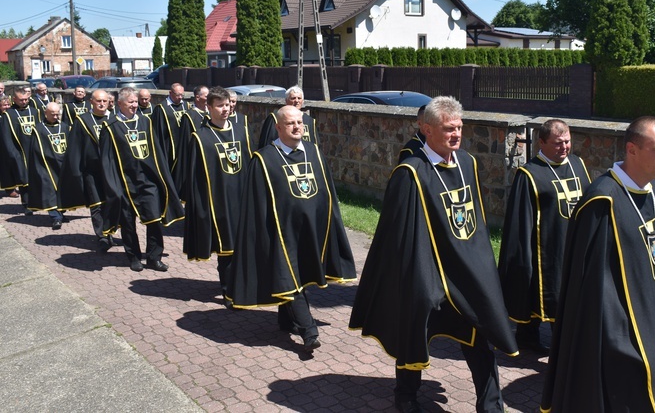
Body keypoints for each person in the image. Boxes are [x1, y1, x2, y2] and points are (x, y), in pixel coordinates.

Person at [349, 96, 518, 413]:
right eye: (448, 129)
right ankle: (406, 394)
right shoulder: (411, 173)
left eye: (459, 128)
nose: (456, 134)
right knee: (415, 329)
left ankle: (492, 405)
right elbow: (400, 235)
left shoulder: (468, 163)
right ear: (426, 129)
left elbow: (475, 224)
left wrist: (483, 269)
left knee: (480, 335)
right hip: (430, 274)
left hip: (466, 272)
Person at [541, 116, 655, 412]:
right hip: (622, 331)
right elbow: (594, 287)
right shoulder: (603, 201)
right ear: (632, 150)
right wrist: (620, 340)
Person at [226, 105, 356, 352]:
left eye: (300, 122)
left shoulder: (314, 152)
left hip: (310, 229)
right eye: (290, 123)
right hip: (280, 232)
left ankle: (286, 319)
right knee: (289, 275)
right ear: (278, 127)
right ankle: (309, 331)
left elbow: (327, 192)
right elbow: (257, 203)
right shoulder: (264, 159)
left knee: (302, 274)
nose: (297, 127)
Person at [497, 119, 591, 354]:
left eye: (568, 141)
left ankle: (567, 342)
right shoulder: (529, 174)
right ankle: (529, 337)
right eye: (558, 143)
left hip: (574, 243)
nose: (565, 147)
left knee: (573, 294)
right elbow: (521, 218)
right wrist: (522, 255)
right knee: (538, 291)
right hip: (545, 246)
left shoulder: (578, 165)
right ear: (542, 143)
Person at [99, 87, 184, 272]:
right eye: (130, 102)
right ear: (120, 103)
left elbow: (156, 152)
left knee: (154, 220)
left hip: (148, 181)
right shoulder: (110, 127)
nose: (135, 105)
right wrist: (114, 187)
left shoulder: (146, 122)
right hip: (125, 183)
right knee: (128, 223)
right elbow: (107, 161)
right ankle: (134, 257)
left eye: (136, 102)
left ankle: (154, 257)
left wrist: (162, 176)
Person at [183, 87, 252, 298]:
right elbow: (194, 177)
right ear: (209, 107)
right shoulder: (200, 137)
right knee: (226, 249)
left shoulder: (242, 131)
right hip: (218, 202)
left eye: (228, 104)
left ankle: (243, 285)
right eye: (220, 105)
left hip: (242, 199)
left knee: (244, 246)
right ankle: (228, 291)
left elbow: (250, 165)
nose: (226, 109)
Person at [59, 90, 113, 250]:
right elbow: (75, 147)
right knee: (96, 204)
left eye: (105, 101)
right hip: (92, 171)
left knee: (112, 202)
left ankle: (110, 231)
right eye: (98, 101)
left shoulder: (114, 119)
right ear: (91, 102)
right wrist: (75, 172)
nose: (102, 104)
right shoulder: (82, 121)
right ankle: (102, 236)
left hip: (111, 171)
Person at [27, 102, 68, 229]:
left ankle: (61, 212)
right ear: (46, 113)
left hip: (63, 164)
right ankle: (55, 217)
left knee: (63, 190)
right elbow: (35, 150)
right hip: (46, 165)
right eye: (53, 114)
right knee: (49, 190)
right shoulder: (38, 129)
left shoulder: (65, 127)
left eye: (57, 114)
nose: (56, 117)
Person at [0, 86, 39, 213]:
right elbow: (6, 136)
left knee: (35, 177)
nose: (24, 102)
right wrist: (12, 153)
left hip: (33, 150)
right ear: (15, 99)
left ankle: (36, 201)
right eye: (21, 100)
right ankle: (26, 204)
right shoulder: (9, 115)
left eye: (26, 99)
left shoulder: (35, 112)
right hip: (19, 151)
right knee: (23, 178)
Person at [172, 85, 209, 197]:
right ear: (197, 98)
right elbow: (185, 145)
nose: (209, 98)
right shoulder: (189, 117)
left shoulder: (211, 113)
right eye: (207, 96)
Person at [152, 82, 187, 173]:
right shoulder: (161, 108)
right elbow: (157, 131)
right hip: (169, 147)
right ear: (170, 93)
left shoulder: (186, 105)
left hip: (184, 145)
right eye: (177, 95)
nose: (180, 97)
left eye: (182, 95)